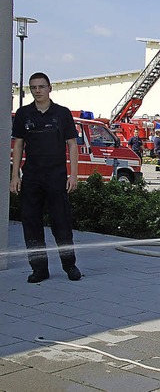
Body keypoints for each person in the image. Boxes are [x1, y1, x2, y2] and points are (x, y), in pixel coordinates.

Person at [10, 72, 82, 283]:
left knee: (61, 222)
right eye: (34, 87)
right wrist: (15, 176)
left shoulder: (62, 114)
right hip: (31, 176)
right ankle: (39, 269)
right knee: (31, 223)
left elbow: (72, 145)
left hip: (56, 176)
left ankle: (70, 265)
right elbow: (18, 145)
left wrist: (73, 175)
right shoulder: (24, 114)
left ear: (50, 88)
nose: (38, 91)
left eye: (41, 87)